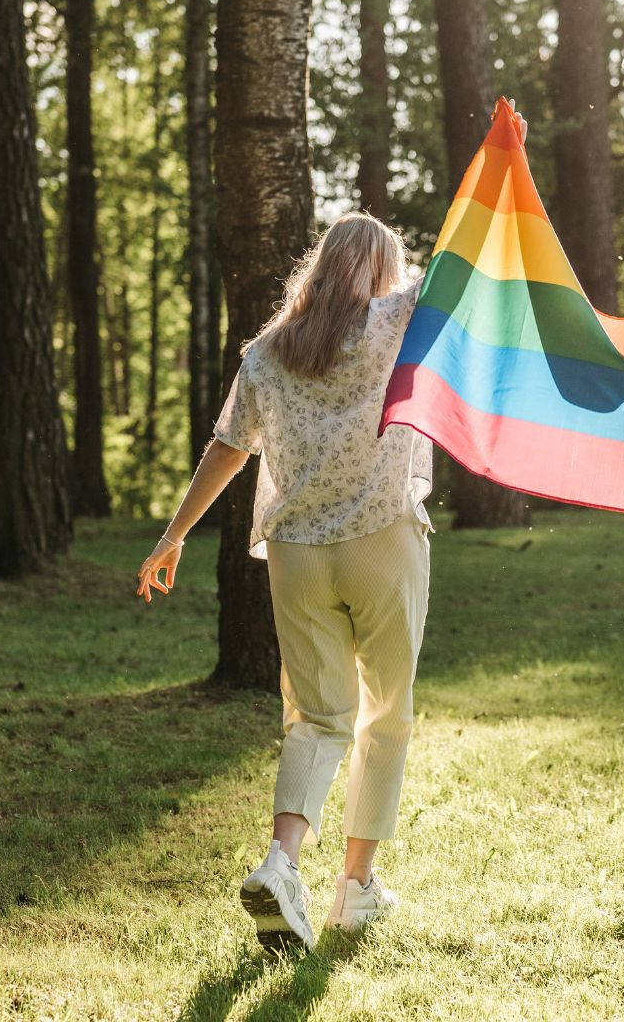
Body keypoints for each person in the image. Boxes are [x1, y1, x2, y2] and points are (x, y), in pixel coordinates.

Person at [136, 213, 434, 952]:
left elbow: (229, 447)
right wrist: (501, 153)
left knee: (316, 717)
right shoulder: (397, 318)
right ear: (380, 271)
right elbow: (466, 259)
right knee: (385, 714)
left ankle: (282, 863)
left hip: (297, 554)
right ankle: (355, 889)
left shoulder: (268, 351)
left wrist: (173, 534)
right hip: (381, 541)